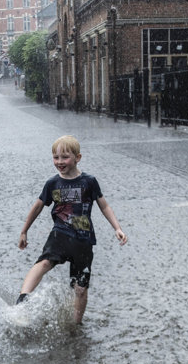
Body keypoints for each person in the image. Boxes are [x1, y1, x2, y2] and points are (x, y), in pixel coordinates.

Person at [17, 135, 128, 324]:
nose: (60, 162)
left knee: (80, 288)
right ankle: (22, 301)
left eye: (65, 157)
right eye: (56, 157)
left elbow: (104, 206)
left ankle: (76, 325)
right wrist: (24, 230)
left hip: (83, 240)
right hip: (60, 233)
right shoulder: (52, 183)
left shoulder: (89, 181)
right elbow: (37, 207)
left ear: (78, 157)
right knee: (44, 263)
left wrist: (117, 228)